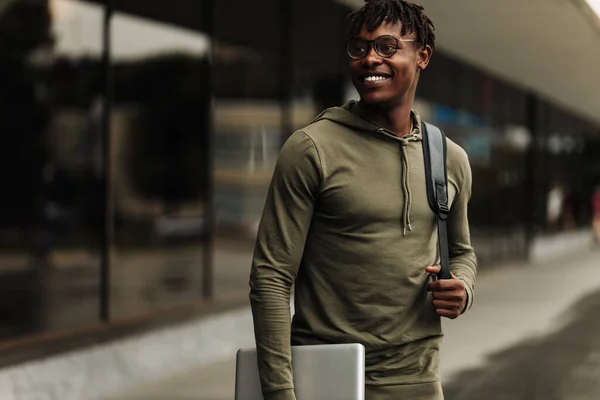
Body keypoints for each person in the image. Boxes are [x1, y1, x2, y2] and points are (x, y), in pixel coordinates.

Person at [249, 1, 478, 399]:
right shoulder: (312, 148)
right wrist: (279, 392)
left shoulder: (448, 158)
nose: (370, 57)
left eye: (388, 46)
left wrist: (463, 288)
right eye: (359, 47)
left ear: (422, 55)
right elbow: (270, 277)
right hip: (327, 376)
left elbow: (462, 251)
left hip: (418, 379)